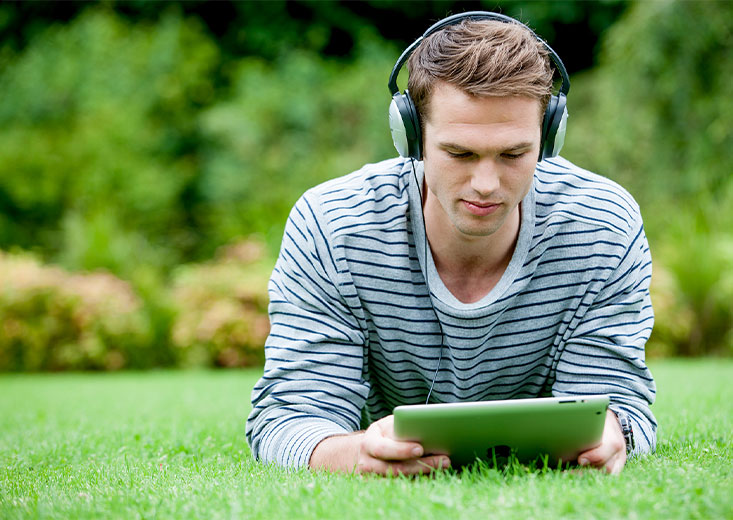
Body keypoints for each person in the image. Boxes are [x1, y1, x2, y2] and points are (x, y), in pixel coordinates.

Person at [246, 11, 656, 476]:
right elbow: (288, 421)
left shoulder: (601, 225)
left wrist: (610, 435)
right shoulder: (331, 225)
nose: (486, 183)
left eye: (514, 154)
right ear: (411, 137)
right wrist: (358, 454)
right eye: (460, 153)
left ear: (549, 136)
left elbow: (621, 407)